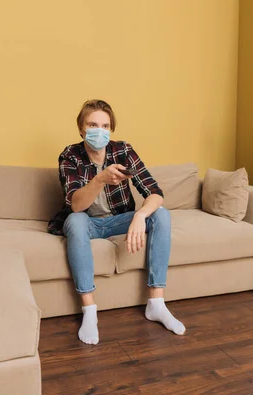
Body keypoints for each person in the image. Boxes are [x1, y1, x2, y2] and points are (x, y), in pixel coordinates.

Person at [48, 99, 185, 345]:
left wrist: (141, 216)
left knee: (161, 214)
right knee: (76, 221)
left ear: (111, 129)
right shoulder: (70, 155)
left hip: (117, 221)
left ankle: (156, 303)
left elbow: (155, 192)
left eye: (105, 126)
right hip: (86, 222)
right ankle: (89, 312)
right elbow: (76, 205)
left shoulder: (123, 150)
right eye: (92, 125)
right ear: (81, 128)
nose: (99, 131)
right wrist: (99, 179)